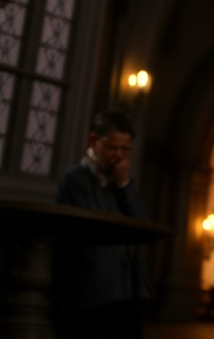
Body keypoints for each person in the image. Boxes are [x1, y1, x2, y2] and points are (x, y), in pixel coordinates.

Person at [55, 110, 152, 339]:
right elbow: (91, 228)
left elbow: (143, 225)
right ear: (93, 141)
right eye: (112, 147)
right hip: (92, 292)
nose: (119, 156)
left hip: (128, 292)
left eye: (125, 149)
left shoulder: (122, 183)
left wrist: (125, 184)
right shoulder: (75, 178)